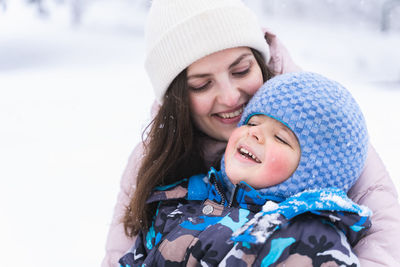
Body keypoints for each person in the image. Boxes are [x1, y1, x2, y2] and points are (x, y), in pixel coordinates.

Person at [101, 0, 400, 266]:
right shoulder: (155, 161)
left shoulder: (322, 124)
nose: (231, 98)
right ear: (176, 99)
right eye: (202, 85)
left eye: (241, 70)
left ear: (259, 61)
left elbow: (386, 242)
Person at [118, 72, 372, 266]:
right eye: (252, 121)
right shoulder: (179, 200)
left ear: (314, 173)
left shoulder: (309, 241)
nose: (255, 134)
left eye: (281, 138)